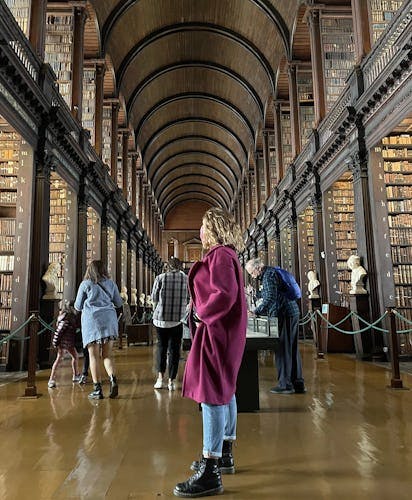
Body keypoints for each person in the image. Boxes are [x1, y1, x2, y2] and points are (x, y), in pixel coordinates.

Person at [174, 207, 247, 498]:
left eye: (203, 226)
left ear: (213, 229)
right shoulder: (229, 255)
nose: (200, 232)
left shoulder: (219, 255)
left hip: (218, 333)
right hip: (226, 332)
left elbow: (224, 295)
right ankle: (225, 453)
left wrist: (203, 313)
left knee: (211, 395)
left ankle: (210, 469)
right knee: (226, 390)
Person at [245, 258, 305, 395]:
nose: (252, 276)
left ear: (258, 268)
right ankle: (298, 383)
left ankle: (285, 385)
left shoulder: (268, 275)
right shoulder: (272, 273)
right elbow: (272, 294)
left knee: (283, 349)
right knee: (292, 348)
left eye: (252, 272)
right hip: (291, 312)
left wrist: (256, 311)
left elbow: (270, 298)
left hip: (283, 314)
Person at [74, 260, 123, 399]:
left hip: (92, 322)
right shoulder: (111, 284)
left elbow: (77, 306)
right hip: (109, 320)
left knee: (93, 356)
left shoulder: (85, 284)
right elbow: (118, 303)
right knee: (107, 355)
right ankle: (113, 380)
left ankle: (97, 390)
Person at [151, 256, 188, 391]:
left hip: (160, 320)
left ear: (168, 266)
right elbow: (190, 297)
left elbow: (154, 298)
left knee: (161, 348)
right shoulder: (186, 278)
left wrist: (157, 309)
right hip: (178, 320)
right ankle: (172, 381)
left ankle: (160, 379)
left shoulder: (160, 278)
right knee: (175, 350)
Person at [48, 300, 81, 388]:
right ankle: (51, 379)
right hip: (64, 342)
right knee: (59, 359)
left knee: (74, 357)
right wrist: (55, 343)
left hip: (68, 342)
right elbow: (59, 331)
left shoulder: (69, 317)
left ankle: (76, 375)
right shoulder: (66, 318)